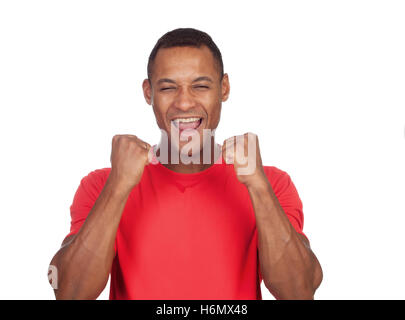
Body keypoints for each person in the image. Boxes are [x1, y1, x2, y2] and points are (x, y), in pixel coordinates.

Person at [48, 28, 323, 300]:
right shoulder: (101, 185)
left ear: (223, 88)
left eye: (200, 86)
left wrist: (258, 187)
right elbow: (69, 293)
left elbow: (299, 291)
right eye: (168, 88)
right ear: (148, 93)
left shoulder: (271, 183)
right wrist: (118, 187)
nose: (183, 102)